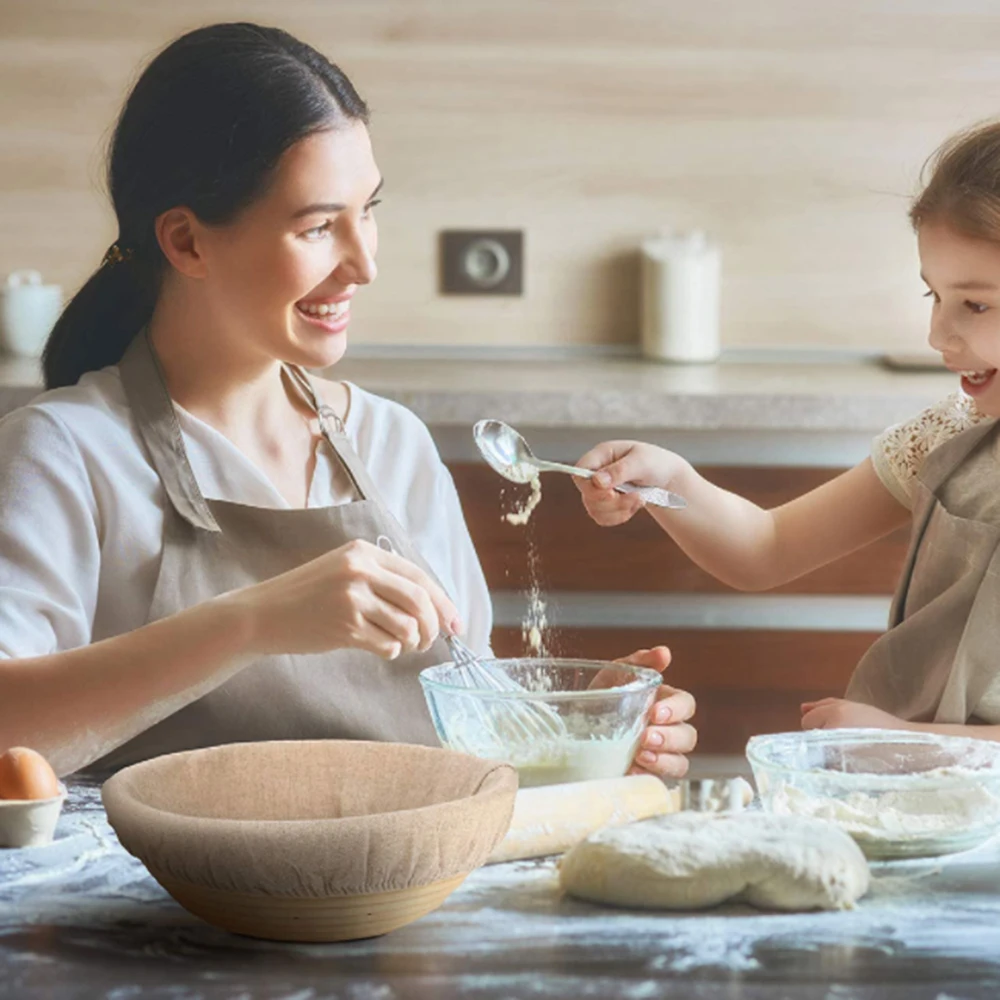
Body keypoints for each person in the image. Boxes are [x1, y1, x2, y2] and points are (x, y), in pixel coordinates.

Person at [0, 23, 696, 778]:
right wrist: (254, 622)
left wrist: (574, 731)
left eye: (368, 209)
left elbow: (468, 718)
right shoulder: (67, 453)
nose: (363, 262)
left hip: (400, 895)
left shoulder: (392, 443)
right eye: (318, 226)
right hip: (150, 898)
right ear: (187, 242)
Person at [576, 119, 1000, 742]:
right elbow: (767, 547)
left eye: (977, 304)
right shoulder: (946, 437)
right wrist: (669, 480)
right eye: (932, 297)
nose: (937, 336)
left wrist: (907, 742)